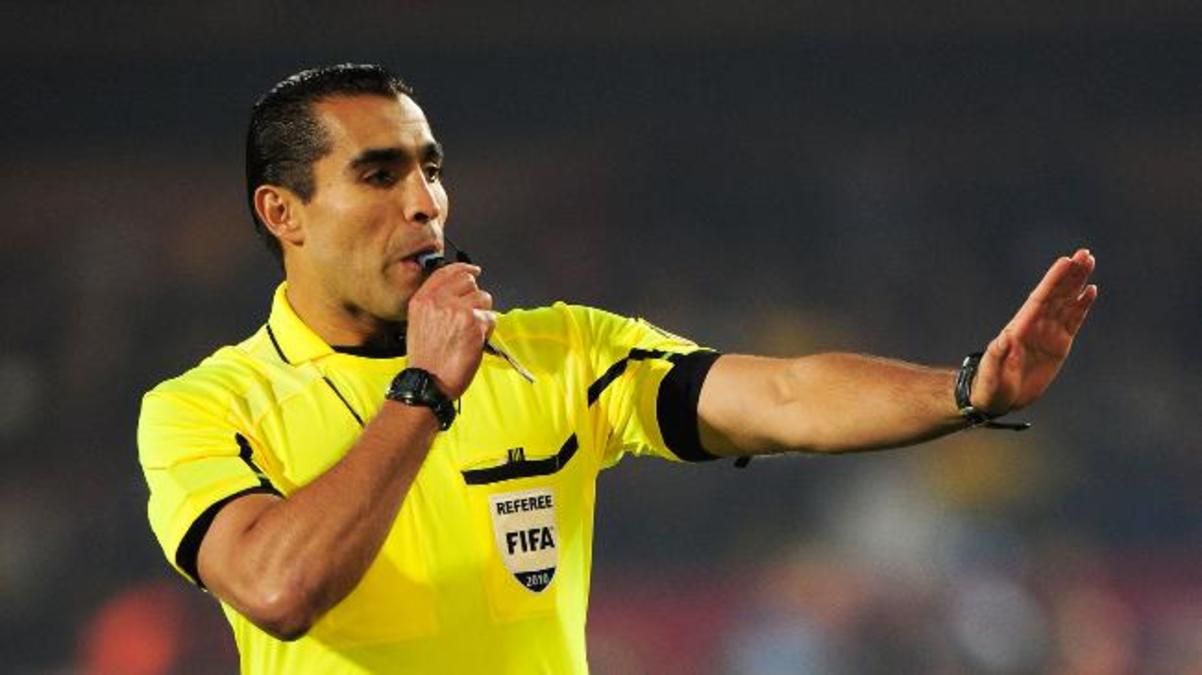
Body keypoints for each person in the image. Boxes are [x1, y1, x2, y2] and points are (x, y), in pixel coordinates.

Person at [137, 63, 1098, 674]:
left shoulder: (560, 353)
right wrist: (423, 390)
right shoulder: (206, 408)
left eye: (431, 167)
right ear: (283, 213)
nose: (425, 201)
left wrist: (968, 389)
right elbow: (279, 588)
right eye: (379, 174)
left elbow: (783, 393)